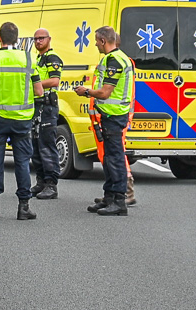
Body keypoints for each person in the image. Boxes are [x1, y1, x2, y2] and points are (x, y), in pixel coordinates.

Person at [74, 24, 134, 215]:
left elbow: (105, 92)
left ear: (103, 40)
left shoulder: (115, 60)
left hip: (114, 116)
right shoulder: (117, 58)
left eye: (96, 41)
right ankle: (109, 196)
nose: (95, 45)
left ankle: (119, 201)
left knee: (115, 159)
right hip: (111, 115)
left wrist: (86, 92)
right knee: (108, 159)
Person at [0, 22, 38, 220]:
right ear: (18, 39)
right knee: (22, 162)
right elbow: (39, 91)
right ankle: (23, 207)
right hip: (22, 120)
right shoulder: (28, 59)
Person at [29, 28, 66, 199]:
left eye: (41, 38)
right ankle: (41, 181)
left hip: (47, 106)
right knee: (35, 145)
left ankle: (51, 184)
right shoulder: (38, 58)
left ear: (49, 39)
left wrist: (33, 84)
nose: (38, 41)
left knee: (47, 145)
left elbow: (54, 80)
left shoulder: (52, 58)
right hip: (37, 107)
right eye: (35, 39)